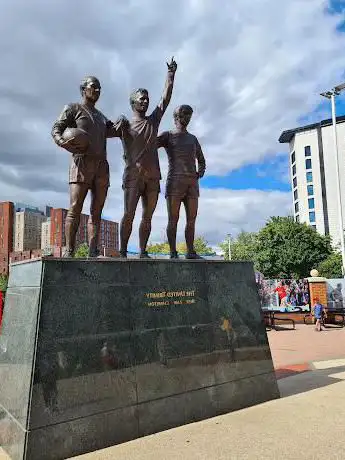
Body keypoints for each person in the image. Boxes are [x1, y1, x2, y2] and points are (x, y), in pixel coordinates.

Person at [51, 76, 127, 257]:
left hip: (101, 166)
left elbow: (115, 130)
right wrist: (63, 142)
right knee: (75, 207)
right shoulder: (73, 108)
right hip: (81, 163)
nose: (97, 91)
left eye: (100, 88)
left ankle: (93, 251)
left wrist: (122, 120)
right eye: (94, 87)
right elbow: (56, 128)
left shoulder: (101, 116)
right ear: (83, 89)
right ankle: (69, 251)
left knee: (97, 211)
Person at [118, 58, 178, 258]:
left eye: (146, 98)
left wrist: (170, 75)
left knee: (148, 216)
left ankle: (143, 252)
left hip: (153, 177)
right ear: (132, 102)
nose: (145, 101)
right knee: (129, 215)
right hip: (133, 176)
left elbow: (165, 99)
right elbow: (102, 132)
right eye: (141, 98)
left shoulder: (153, 121)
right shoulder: (125, 125)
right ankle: (123, 251)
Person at [157, 105, 206, 259]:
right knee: (173, 219)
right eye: (183, 114)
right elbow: (149, 146)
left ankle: (190, 251)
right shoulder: (168, 135)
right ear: (176, 116)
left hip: (192, 183)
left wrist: (200, 172)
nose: (186, 117)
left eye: (189, 114)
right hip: (175, 182)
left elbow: (202, 160)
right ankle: (173, 252)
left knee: (191, 220)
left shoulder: (193, 139)